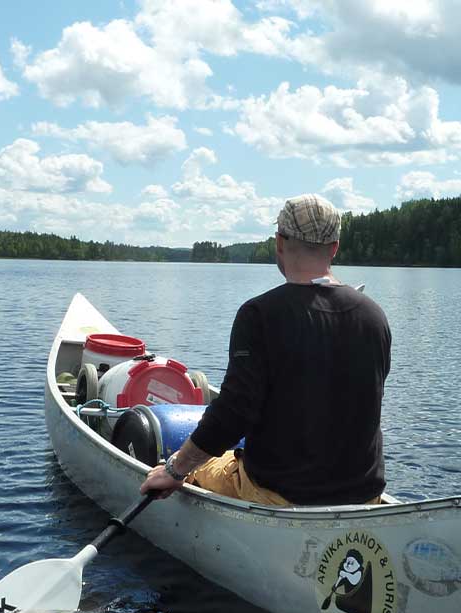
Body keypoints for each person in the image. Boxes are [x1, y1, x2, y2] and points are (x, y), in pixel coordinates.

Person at [140, 194, 391, 506]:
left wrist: (176, 469)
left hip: (281, 496)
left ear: (280, 243)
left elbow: (233, 415)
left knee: (197, 470)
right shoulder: (374, 316)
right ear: (335, 247)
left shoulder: (259, 315)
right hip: (364, 497)